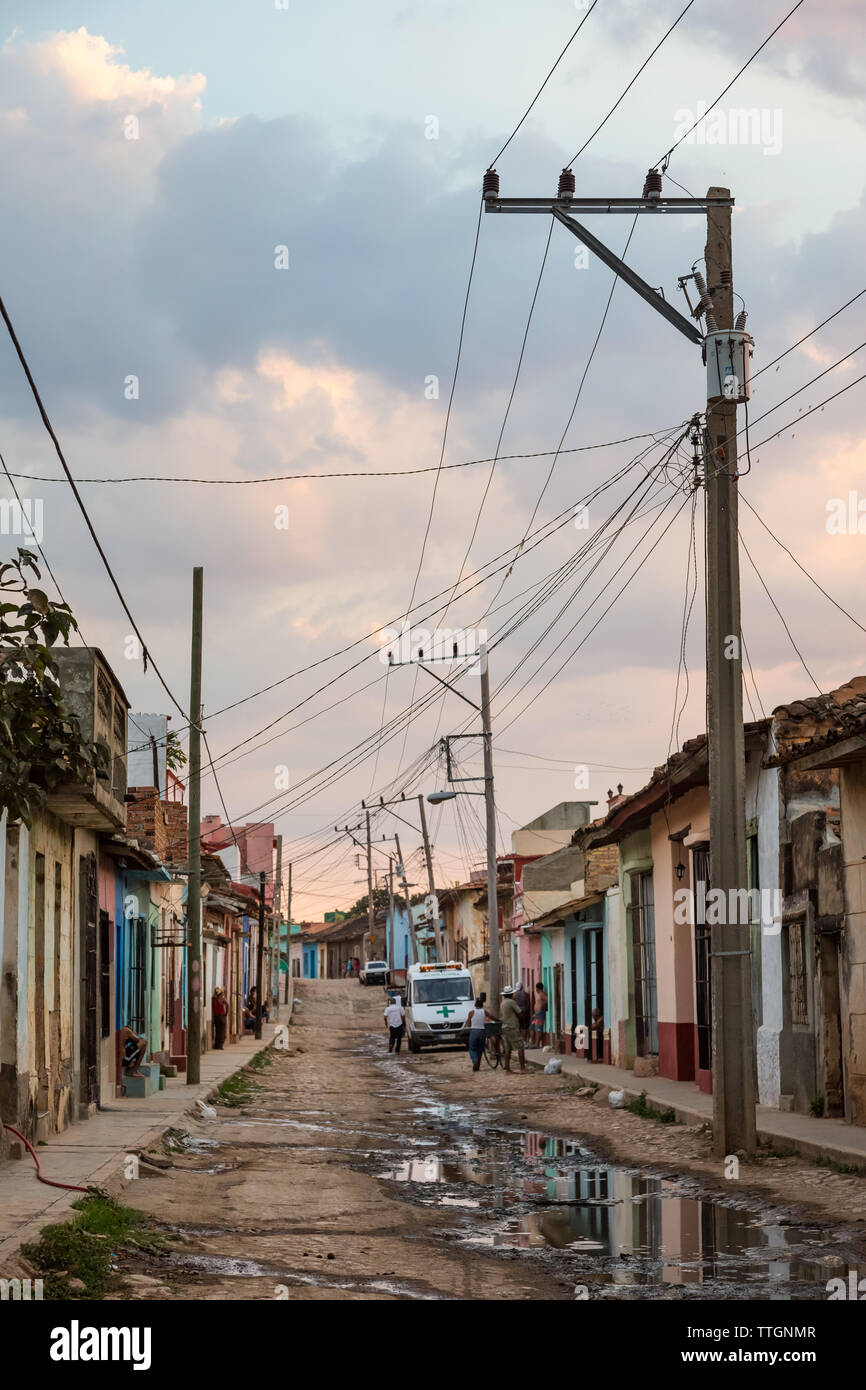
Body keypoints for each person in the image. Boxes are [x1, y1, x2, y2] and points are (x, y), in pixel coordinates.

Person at [500, 986, 526, 1072]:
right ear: (511, 994)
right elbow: (520, 1013)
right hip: (512, 1027)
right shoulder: (511, 1002)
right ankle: (522, 1068)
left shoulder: (503, 1003)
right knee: (520, 1046)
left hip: (505, 1027)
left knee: (508, 1049)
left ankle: (507, 1068)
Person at [466, 997, 487, 1072]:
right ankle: (477, 1066)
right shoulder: (484, 1011)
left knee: (472, 1048)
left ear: (475, 1005)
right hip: (482, 1032)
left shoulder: (471, 1012)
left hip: (474, 1031)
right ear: (482, 1005)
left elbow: (468, 1025)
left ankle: (475, 1060)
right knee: (480, 1049)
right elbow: (493, 1017)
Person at [530, 981, 548, 1046]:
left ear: (537, 988)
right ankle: (533, 1042)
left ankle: (537, 1044)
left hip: (540, 1013)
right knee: (532, 1027)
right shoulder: (539, 995)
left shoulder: (542, 994)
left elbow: (547, 1000)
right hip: (536, 1014)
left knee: (538, 1029)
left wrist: (543, 1007)